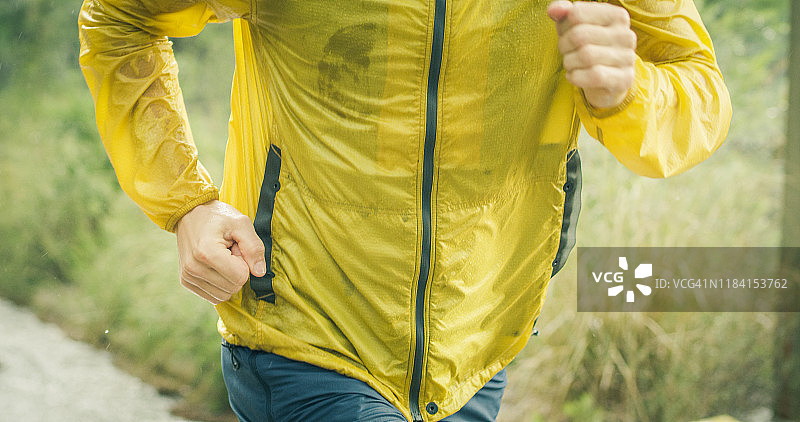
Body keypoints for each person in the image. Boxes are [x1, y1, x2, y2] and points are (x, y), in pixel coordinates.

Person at [78, 0, 731, 420]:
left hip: (479, 346)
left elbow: (700, 88)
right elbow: (119, 15)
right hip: (309, 333)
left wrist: (630, 87)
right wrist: (186, 205)